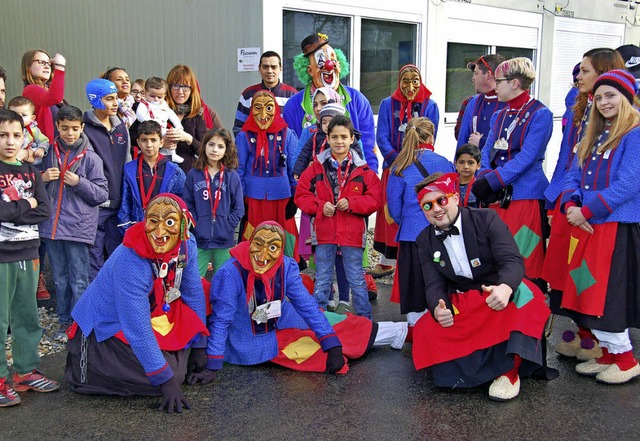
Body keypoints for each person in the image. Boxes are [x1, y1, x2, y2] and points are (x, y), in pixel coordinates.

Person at [187, 221, 408, 383]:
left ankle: (406, 332)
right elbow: (222, 319)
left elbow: (307, 307)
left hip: (287, 317)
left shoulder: (286, 266)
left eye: (272, 247)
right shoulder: (231, 272)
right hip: (255, 339)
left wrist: (330, 342)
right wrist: (213, 363)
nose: (263, 255)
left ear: (281, 250)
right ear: (250, 242)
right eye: (259, 244)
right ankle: (400, 333)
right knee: (321, 353)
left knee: (340, 323)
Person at [413, 172, 551, 401]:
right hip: (467, 297)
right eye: (427, 205)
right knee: (426, 328)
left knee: (526, 301)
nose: (436, 209)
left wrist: (505, 287)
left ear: (455, 198)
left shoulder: (486, 218)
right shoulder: (424, 240)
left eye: (441, 200)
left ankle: (510, 372)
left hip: (499, 289)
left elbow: (513, 261)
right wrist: (439, 308)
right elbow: (433, 284)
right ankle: (477, 374)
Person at [66, 193, 208, 413]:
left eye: (169, 222)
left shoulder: (187, 245)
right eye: (153, 221)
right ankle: (89, 370)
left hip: (151, 312)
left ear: (183, 224)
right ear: (144, 221)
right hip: (106, 326)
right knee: (174, 374)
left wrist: (200, 344)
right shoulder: (130, 259)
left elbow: (194, 294)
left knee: (177, 366)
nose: (160, 233)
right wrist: (164, 380)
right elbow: (136, 326)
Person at [558, 70, 640, 384]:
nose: (604, 102)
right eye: (600, 96)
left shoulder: (634, 133)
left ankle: (626, 359)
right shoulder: (596, 132)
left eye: (611, 95)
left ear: (626, 98)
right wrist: (570, 205)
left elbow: (629, 184)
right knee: (587, 290)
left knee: (607, 297)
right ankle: (606, 353)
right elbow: (573, 175)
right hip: (589, 225)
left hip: (614, 227)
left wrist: (587, 210)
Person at [542, 49, 624, 361]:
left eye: (585, 70)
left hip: (594, 208)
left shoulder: (617, 118)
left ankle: (599, 340)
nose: (578, 76)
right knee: (565, 270)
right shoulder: (580, 106)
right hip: (569, 199)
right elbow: (568, 158)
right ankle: (582, 334)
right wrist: (557, 198)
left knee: (587, 272)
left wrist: (586, 206)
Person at [471, 57, 552, 283]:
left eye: (499, 81)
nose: (495, 86)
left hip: (525, 197)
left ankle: (529, 313)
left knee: (525, 257)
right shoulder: (500, 114)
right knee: (497, 256)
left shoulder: (540, 114)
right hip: (497, 197)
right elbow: (487, 151)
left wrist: (493, 181)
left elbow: (528, 157)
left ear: (515, 83)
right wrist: (484, 176)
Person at [295, 115, 381, 318]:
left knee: (356, 280)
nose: (339, 141)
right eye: (335, 137)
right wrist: (318, 206)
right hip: (325, 233)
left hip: (352, 234)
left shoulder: (364, 169)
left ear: (352, 139)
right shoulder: (316, 167)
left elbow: (376, 198)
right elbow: (301, 195)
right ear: (328, 138)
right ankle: (318, 321)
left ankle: (365, 321)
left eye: (344, 136)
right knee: (323, 278)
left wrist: (352, 204)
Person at [0, 109, 58, 408]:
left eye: (16, 135)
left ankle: (24, 371)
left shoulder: (30, 173)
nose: (10, 141)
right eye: (3, 135)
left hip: (28, 253)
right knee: (0, 320)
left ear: (25, 137)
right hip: (1, 257)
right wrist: (28, 203)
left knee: (27, 316)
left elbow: (44, 210)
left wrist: (18, 208)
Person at [39, 105, 108, 338]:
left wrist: (79, 182)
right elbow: (29, 183)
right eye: (65, 128)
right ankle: (62, 320)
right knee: (59, 279)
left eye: (75, 128)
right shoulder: (47, 153)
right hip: (51, 227)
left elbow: (101, 194)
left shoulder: (91, 158)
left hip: (78, 228)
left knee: (79, 279)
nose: (70, 133)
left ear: (82, 128)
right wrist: (42, 178)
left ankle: (79, 324)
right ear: (57, 126)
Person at [374, 64, 440, 276]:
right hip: (394, 168)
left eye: (415, 81)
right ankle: (387, 261)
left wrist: (412, 161)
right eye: (405, 81)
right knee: (391, 212)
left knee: (415, 210)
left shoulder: (430, 105)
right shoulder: (387, 104)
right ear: (398, 82)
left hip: (419, 171)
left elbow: (431, 137)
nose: (410, 86)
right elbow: (382, 136)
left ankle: (415, 256)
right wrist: (398, 160)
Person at [386, 118, 454, 315]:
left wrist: (407, 221)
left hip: (411, 234)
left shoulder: (399, 166)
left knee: (413, 282)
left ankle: (415, 326)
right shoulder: (444, 163)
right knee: (439, 279)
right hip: (439, 230)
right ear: (431, 136)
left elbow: (394, 208)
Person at [284, 33, 377, 172]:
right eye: (321, 62)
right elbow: (292, 153)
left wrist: (370, 181)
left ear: (339, 65)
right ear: (309, 70)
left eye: (333, 60)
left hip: (350, 182)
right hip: (311, 183)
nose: (329, 66)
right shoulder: (293, 106)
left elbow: (368, 148)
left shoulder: (358, 100)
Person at [237, 89, 299, 259]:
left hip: (282, 198)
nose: (263, 114)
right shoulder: (244, 136)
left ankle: (285, 275)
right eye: (258, 108)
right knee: (256, 238)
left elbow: (294, 169)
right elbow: (239, 169)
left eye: (269, 108)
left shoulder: (287, 135)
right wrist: (241, 198)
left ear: (276, 110)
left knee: (283, 239)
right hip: (254, 199)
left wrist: (295, 197)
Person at [83, 78, 131, 279]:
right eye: (109, 99)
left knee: (118, 253)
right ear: (95, 100)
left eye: (116, 99)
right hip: (96, 204)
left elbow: (127, 162)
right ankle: (96, 301)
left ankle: (115, 295)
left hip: (119, 201)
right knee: (94, 256)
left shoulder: (121, 127)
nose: (115, 103)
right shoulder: (84, 130)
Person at [183, 128, 244, 277]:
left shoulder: (232, 176)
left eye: (220, 146)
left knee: (224, 281)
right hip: (199, 239)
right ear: (204, 146)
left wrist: (227, 227)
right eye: (211, 144)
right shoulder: (193, 174)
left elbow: (239, 208)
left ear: (226, 150)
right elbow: (187, 204)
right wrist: (196, 225)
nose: (215, 150)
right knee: (195, 280)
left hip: (224, 241)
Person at [118, 120, 186, 232]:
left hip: (164, 228)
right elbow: (125, 202)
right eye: (144, 140)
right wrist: (127, 231)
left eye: (153, 140)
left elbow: (181, 203)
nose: (149, 145)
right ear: (138, 142)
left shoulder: (175, 171)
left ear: (161, 142)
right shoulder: (129, 169)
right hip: (137, 227)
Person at [165, 65, 224, 174]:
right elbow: (138, 139)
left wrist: (188, 138)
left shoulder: (197, 114)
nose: (180, 92)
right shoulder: (159, 110)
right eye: (176, 86)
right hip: (163, 173)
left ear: (192, 89)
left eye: (185, 87)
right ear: (169, 87)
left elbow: (206, 149)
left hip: (190, 174)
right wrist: (161, 144)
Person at [233, 51, 298, 136]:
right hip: (254, 148)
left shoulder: (292, 95)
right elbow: (238, 128)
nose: (269, 71)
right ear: (259, 68)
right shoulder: (248, 94)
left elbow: (297, 127)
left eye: (273, 67)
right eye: (265, 67)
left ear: (281, 69)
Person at [457, 54, 506, 150]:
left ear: (488, 74)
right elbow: (462, 138)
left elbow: (511, 142)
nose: (473, 78)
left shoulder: (507, 103)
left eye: (476, 73)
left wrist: (481, 142)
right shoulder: (472, 102)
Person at [136, 77, 184, 164]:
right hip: (150, 129)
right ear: (145, 93)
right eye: (152, 96)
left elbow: (172, 115)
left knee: (172, 134)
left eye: (159, 97)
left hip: (163, 129)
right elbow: (140, 115)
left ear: (164, 96)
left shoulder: (164, 104)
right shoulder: (144, 104)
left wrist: (178, 126)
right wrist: (152, 123)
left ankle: (172, 154)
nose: (156, 99)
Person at [21, 49, 66, 141]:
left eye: (49, 64)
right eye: (41, 62)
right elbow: (55, 98)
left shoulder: (47, 90)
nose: (47, 66)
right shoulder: (30, 90)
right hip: (44, 150)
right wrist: (60, 67)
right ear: (28, 67)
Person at [7, 96, 49, 165]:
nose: (19, 118)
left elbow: (44, 140)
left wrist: (42, 149)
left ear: (32, 118)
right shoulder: (6, 128)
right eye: (15, 114)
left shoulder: (33, 130)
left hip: (30, 161)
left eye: (24, 115)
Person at [455, 144, 481, 208]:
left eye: (470, 163)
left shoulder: (480, 187)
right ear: (455, 164)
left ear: (478, 166)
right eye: (461, 162)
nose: (465, 167)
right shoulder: (450, 185)